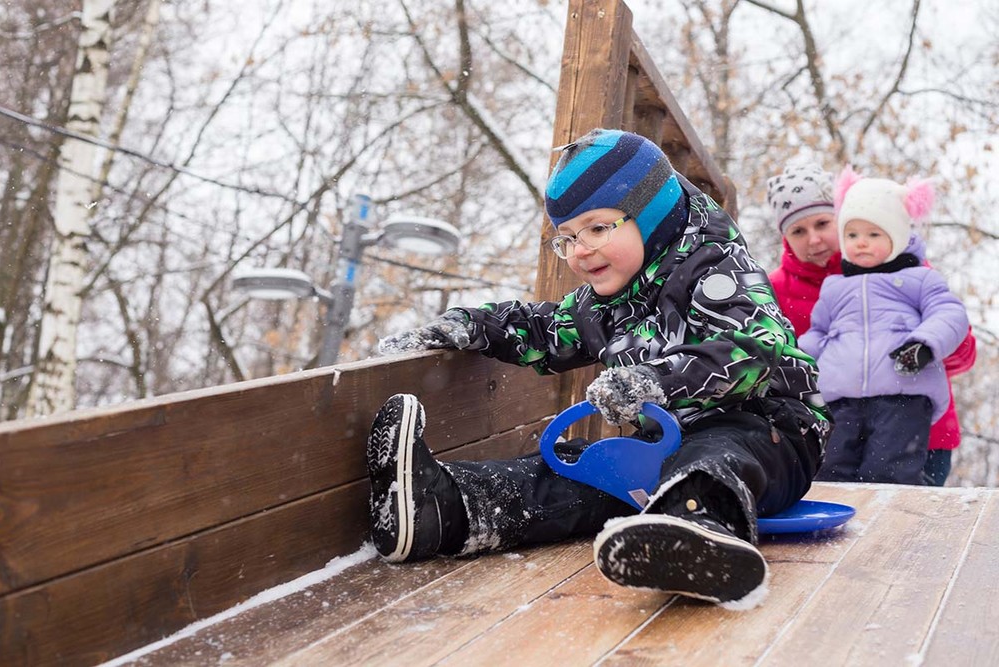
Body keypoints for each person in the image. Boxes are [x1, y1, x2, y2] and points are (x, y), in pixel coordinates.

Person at [367, 128, 830, 607]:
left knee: (720, 446)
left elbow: (755, 347)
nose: (579, 250)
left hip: (775, 431)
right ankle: (444, 506)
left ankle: (694, 528)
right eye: (566, 237)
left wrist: (655, 382)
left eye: (596, 228)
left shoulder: (714, 267)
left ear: (650, 215)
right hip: (667, 448)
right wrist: (473, 325)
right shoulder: (607, 303)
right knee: (581, 471)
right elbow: (546, 331)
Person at [766, 164, 976, 485]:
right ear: (785, 238)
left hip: (916, 428)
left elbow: (959, 341)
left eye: (822, 223)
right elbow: (803, 345)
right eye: (798, 231)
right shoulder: (779, 289)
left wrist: (926, 346)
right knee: (833, 486)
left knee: (898, 504)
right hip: (841, 416)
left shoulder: (904, 271)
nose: (814, 239)